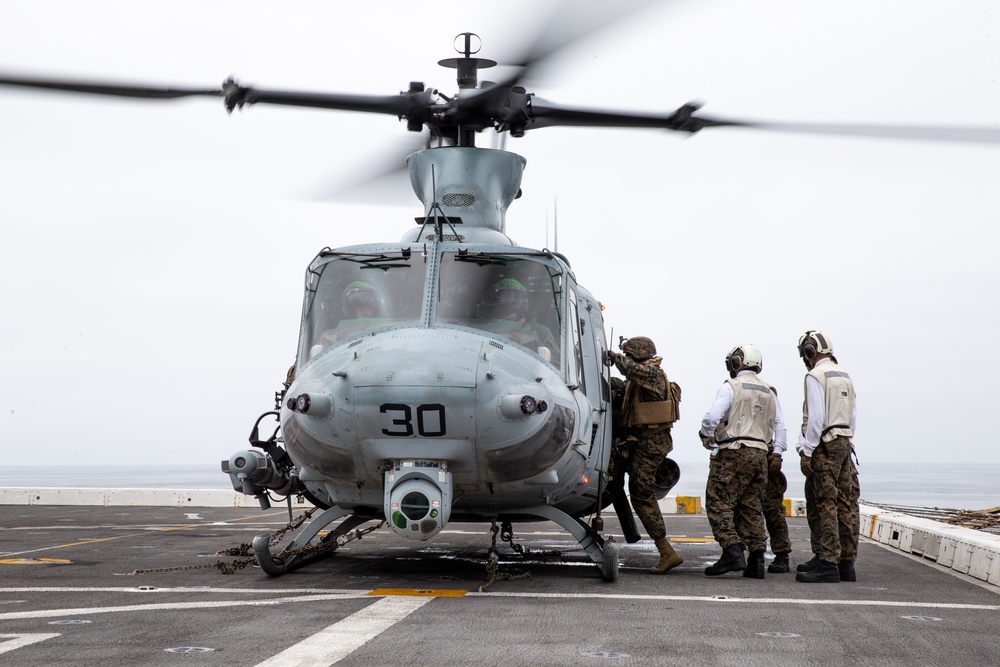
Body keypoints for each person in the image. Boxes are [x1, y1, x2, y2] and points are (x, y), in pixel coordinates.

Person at [698, 343, 782, 579]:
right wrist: (777, 452)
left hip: (734, 450)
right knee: (751, 505)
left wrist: (706, 435)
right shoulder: (769, 390)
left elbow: (712, 417)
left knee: (718, 501)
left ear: (736, 363)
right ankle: (756, 560)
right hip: (760, 454)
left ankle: (732, 550)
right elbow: (780, 425)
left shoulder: (731, 387)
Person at [607, 335, 683, 574]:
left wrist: (613, 357)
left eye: (629, 355)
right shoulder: (641, 378)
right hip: (643, 440)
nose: (627, 360)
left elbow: (629, 369)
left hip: (651, 442)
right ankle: (651, 543)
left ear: (637, 356)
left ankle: (667, 552)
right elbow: (622, 386)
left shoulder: (652, 374)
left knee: (641, 494)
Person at [793, 330, 860, 584]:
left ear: (810, 352)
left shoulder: (815, 376)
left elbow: (816, 418)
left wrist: (807, 451)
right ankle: (846, 563)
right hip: (844, 441)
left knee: (825, 501)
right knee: (846, 502)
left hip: (825, 444)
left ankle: (828, 562)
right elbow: (853, 415)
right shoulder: (844, 374)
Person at [479, 278, 558, 362]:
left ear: (521, 305)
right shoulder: (487, 329)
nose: (504, 311)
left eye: (510, 307)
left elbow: (556, 363)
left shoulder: (541, 332)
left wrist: (536, 343)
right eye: (500, 307)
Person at [763, 386, 792, 573]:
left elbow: (779, 424)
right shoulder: (733, 389)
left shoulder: (767, 391)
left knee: (772, 508)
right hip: (754, 452)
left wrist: (777, 453)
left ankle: (782, 554)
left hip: (765, 452)